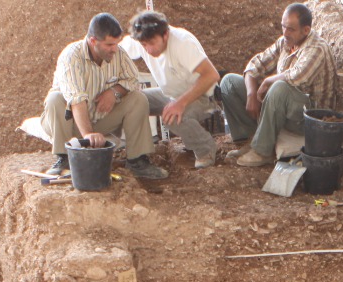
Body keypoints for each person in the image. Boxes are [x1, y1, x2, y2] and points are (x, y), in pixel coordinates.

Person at [40, 13, 168, 180]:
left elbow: (132, 79)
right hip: (68, 124)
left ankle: (137, 161)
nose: (114, 49)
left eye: (116, 43)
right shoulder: (71, 56)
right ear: (93, 41)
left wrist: (114, 93)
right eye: (109, 44)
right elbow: (77, 99)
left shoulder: (118, 54)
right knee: (55, 99)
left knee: (138, 98)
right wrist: (87, 135)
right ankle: (65, 159)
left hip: (99, 119)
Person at [218, 3, 336, 168]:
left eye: (291, 29)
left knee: (279, 87)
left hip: (309, 119)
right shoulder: (286, 42)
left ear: (306, 30)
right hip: (285, 107)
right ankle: (251, 140)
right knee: (229, 82)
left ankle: (262, 151)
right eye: (283, 27)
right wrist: (252, 94)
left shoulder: (317, 48)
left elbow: (296, 77)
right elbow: (255, 64)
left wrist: (267, 81)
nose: (285, 33)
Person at [120, 11, 222, 169]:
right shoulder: (141, 39)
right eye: (144, 45)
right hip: (170, 94)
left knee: (171, 116)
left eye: (152, 43)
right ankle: (138, 153)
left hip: (202, 96)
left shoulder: (182, 42)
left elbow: (211, 75)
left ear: (165, 35)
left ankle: (205, 149)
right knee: (133, 100)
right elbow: (115, 51)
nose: (148, 50)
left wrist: (180, 103)